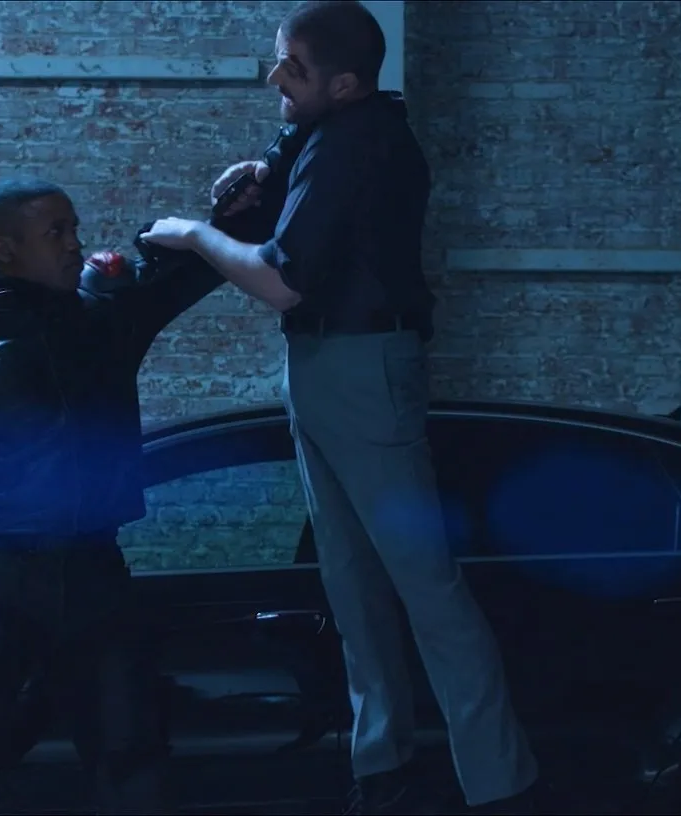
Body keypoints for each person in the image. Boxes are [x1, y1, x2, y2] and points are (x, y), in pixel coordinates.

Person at [138, 2, 539, 814]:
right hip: (325, 365)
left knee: (426, 589)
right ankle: (382, 773)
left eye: (292, 68)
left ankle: (502, 787)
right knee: (351, 583)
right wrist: (260, 171)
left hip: (361, 367)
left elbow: (282, 279)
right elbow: (289, 170)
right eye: (279, 59)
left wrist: (192, 233)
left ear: (347, 83)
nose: (274, 78)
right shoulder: (330, 129)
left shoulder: (360, 140)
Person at [0, 177, 265, 815]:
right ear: (4, 247)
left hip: (95, 572)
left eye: (73, 229)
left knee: (131, 757)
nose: (73, 244)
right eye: (54, 232)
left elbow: (203, 266)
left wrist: (254, 198)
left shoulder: (105, 310)